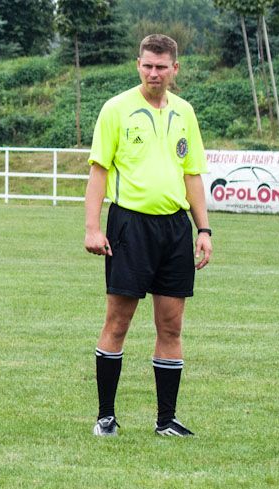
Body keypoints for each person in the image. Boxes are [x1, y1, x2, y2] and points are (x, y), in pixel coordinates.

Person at [83, 34, 213, 437]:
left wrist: (203, 228)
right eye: (147, 65)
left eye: (161, 66)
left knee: (171, 327)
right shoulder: (117, 109)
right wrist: (92, 226)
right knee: (117, 321)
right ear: (137, 64)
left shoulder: (185, 112)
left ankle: (166, 420)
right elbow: (98, 172)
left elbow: (191, 174)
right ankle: (106, 416)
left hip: (175, 229)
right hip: (129, 226)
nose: (153, 73)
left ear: (176, 69)